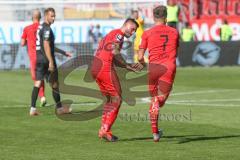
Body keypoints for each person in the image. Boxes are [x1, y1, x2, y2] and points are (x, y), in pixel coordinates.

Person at [91, 18, 140, 142]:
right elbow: (115, 51)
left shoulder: (110, 34)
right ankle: (105, 130)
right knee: (117, 98)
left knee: (109, 98)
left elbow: (113, 55)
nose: (133, 32)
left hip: (95, 67)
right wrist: (125, 64)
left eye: (135, 31)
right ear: (127, 24)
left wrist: (126, 65)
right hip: (104, 67)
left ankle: (103, 128)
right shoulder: (118, 34)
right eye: (133, 28)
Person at [138, 5, 179, 142]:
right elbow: (176, 51)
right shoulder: (174, 32)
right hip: (168, 67)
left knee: (154, 99)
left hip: (153, 68)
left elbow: (139, 56)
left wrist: (143, 64)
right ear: (166, 17)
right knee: (160, 101)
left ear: (153, 17)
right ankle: (155, 130)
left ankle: (155, 133)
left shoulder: (147, 33)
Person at [30, 8, 72, 116]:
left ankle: (33, 109)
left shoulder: (41, 27)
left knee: (38, 83)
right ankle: (60, 109)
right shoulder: (47, 29)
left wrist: (63, 52)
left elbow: (49, 46)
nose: (53, 18)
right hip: (46, 60)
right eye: (51, 16)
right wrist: (51, 62)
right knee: (55, 84)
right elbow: (46, 45)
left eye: (54, 16)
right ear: (46, 16)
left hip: (39, 59)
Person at [21, 9, 47, 107]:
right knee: (41, 77)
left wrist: (30, 41)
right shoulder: (44, 28)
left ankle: (40, 98)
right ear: (40, 18)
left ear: (32, 17)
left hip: (34, 57)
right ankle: (44, 97)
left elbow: (22, 43)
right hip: (44, 56)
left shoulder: (27, 28)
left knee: (36, 78)